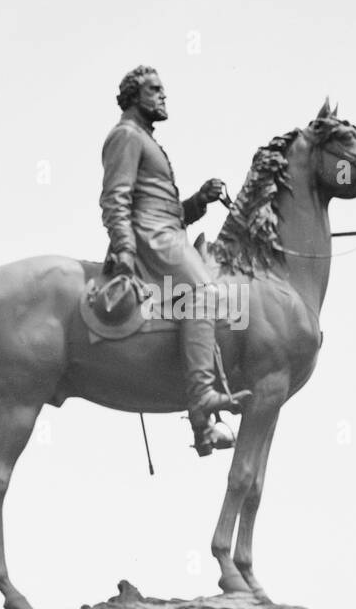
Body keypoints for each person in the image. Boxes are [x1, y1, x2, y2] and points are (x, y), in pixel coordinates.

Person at [99, 65, 250, 455]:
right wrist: (126, 249)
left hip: (165, 232)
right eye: (155, 89)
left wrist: (199, 200)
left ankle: (204, 422)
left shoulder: (145, 139)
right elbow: (115, 199)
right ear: (135, 96)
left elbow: (164, 209)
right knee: (203, 289)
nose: (164, 96)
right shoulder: (127, 136)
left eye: (163, 89)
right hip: (151, 240)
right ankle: (202, 397)